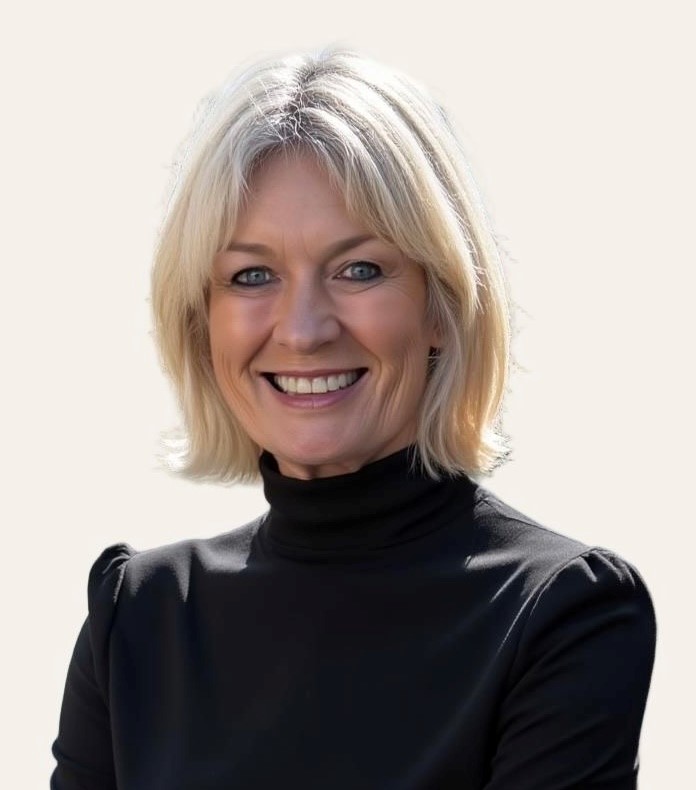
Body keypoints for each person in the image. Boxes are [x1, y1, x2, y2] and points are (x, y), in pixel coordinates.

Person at [51, 49, 656, 789]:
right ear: (202, 321)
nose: (303, 330)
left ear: (442, 305)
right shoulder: (137, 619)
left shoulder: (560, 615)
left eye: (359, 269)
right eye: (251, 276)